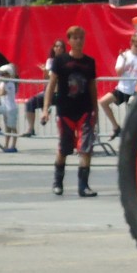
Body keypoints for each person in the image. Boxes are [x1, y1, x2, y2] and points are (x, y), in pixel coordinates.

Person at [40, 26, 99, 196]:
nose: (79, 41)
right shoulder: (60, 61)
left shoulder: (89, 62)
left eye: (81, 38)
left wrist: (95, 110)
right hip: (65, 111)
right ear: (69, 40)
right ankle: (58, 182)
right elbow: (51, 85)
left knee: (86, 148)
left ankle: (83, 186)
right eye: (75, 38)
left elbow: (92, 87)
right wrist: (46, 109)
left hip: (85, 110)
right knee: (64, 148)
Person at [100, 33, 137, 140]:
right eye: (136, 45)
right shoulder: (124, 55)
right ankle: (116, 127)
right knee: (103, 102)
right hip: (123, 89)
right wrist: (125, 61)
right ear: (131, 43)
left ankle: (134, 135)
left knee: (133, 115)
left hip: (136, 91)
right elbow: (118, 72)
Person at [22, 39, 65, 136]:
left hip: (61, 92)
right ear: (53, 48)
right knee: (30, 102)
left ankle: (63, 133)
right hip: (49, 91)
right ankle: (31, 128)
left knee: (61, 111)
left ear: (63, 49)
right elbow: (47, 78)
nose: (58, 48)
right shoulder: (50, 61)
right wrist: (45, 72)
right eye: (56, 46)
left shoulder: (66, 61)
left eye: (61, 47)